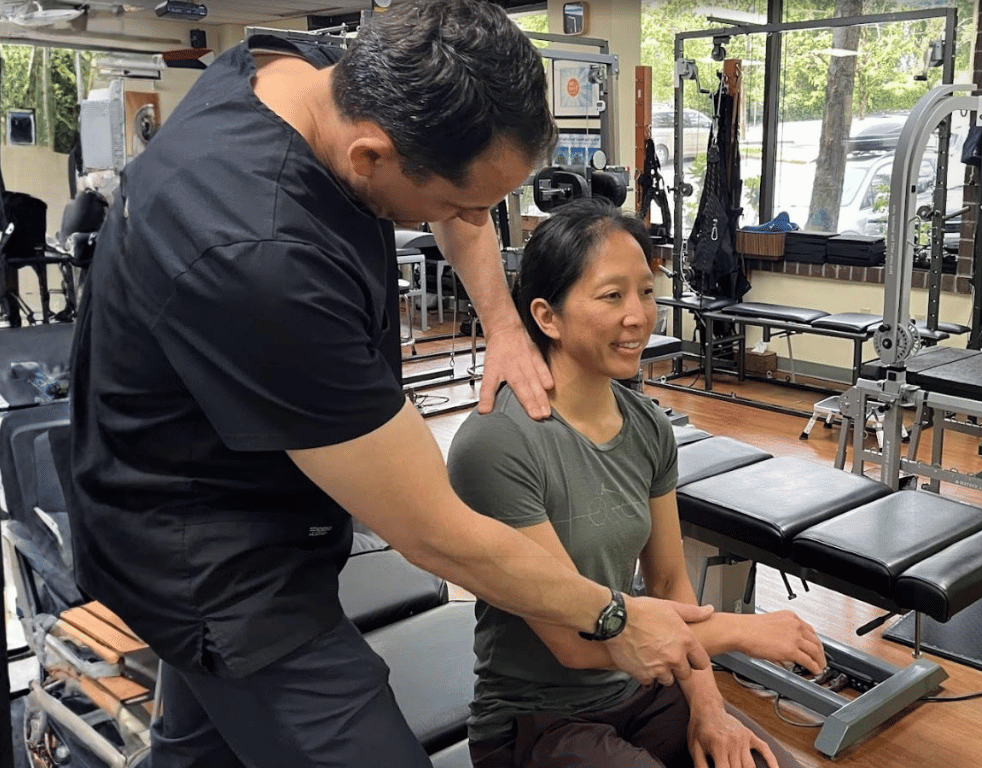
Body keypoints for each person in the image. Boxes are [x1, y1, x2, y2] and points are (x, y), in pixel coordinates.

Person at [67, 3, 711, 767]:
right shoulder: (262, 255)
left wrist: (503, 325)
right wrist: (614, 616)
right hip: (205, 551)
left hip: (247, 467)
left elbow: (461, 205)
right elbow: (433, 533)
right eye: (460, 206)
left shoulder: (308, 73)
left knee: (204, 748)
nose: (472, 220)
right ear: (369, 155)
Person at [447, 197, 826, 768]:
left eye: (646, 292)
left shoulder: (648, 426)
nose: (638, 316)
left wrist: (709, 708)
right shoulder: (498, 442)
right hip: (536, 722)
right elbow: (574, 642)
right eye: (612, 296)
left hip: (642, 689)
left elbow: (669, 579)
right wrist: (741, 631)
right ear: (547, 317)